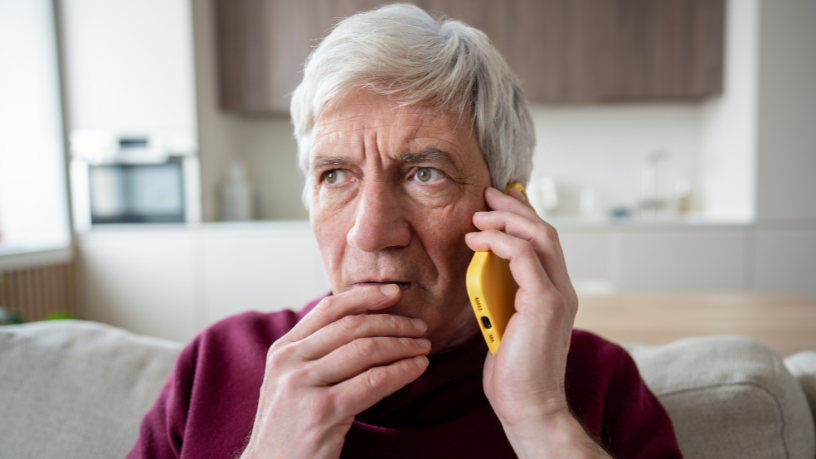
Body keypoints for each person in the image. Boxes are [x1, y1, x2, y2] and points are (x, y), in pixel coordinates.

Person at [128, 4, 682, 458]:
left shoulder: (596, 381)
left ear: (511, 207)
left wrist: (540, 419)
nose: (370, 233)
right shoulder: (217, 365)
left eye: (425, 173)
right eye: (336, 174)